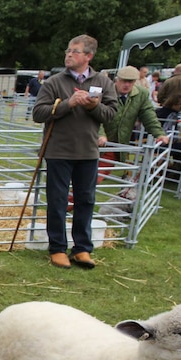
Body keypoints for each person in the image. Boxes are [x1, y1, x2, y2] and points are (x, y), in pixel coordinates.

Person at [32, 34, 117, 270]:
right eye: (68, 50)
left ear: (88, 56)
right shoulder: (54, 82)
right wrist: (68, 104)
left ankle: (82, 248)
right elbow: (38, 113)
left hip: (88, 152)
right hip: (58, 151)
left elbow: (111, 114)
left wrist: (94, 106)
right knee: (57, 202)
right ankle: (58, 248)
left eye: (75, 51)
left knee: (86, 201)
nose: (69, 54)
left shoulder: (103, 82)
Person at [97, 65, 169, 164]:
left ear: (135, 82)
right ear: (117, 80)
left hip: (116, 144)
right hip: (94, 141)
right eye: (123, 81)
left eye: (130, 81)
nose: (126, 84)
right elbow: (92, 113)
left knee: (98, 173)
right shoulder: (102, 91)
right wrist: (99, 134)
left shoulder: (141, 94)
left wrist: (159, 133)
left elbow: (149, 115)